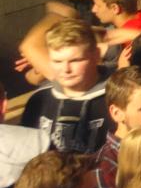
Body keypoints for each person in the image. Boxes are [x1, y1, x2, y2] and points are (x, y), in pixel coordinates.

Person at [20, 18, 109, 155]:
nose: (66, 69)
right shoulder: (39, 100)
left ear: (96, 55)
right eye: (57, 61)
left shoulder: (117, 96)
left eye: (75, 60)